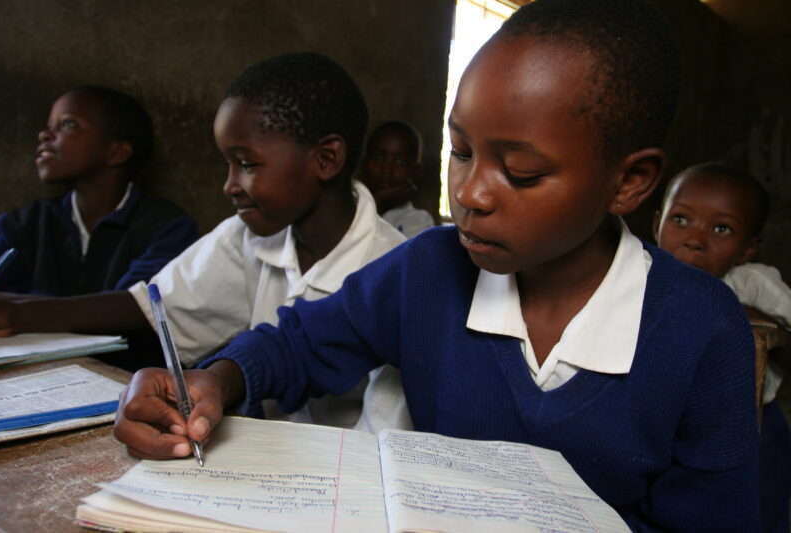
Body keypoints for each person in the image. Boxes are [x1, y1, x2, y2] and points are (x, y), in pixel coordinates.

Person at [113, 1, 761, 530]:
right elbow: (299, 342)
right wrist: (216, 380)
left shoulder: (702, 331)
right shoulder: (428, 269)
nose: (473, 193)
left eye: (522, 171)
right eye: (462, 151)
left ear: (630, 182)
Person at [0, 53, 406, 427]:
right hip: (268, 459)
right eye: (227, 164)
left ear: (326, 159)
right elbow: (153, 307)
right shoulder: (248, 237)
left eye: (246, 164)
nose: (229, 185)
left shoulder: (394, 270)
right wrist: (17, 312)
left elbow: (383, 440)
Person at [654, 161, 791, 533]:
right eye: (680, 220)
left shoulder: (750, 283)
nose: (695, 238)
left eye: (721, 229)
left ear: (748, 248)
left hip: (752, 425)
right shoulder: (643, 273)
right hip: (671, 419)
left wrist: (755, 317)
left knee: (759, 504)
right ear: (657, 224)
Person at [0, 86, 199, 296]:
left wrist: (17, 311)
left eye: (68, 124)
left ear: (116, 153)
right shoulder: (26, 224)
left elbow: (135, 308)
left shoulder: (166, 227)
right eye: (48, 126)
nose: (44, 135)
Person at [361, 120, 434, 238]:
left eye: (400, 161)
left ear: (416, 172)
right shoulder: (349, 212)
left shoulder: (418, 221)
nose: (386, 169)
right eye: (378, 158)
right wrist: (376, 203)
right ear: (364, 162)